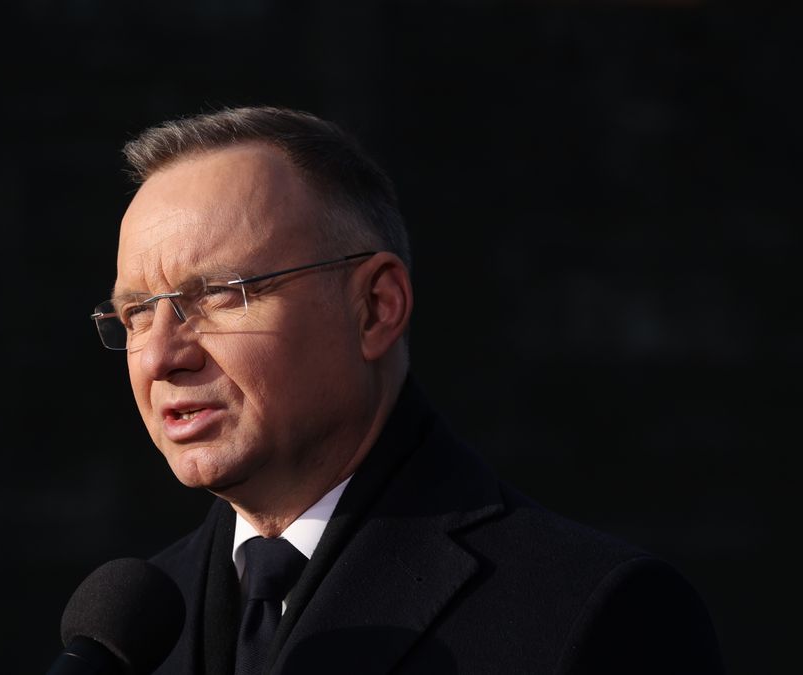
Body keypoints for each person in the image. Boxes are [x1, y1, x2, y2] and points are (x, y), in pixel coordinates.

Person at [89, 105, 724, 674]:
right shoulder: (121, 641)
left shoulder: (593, 612)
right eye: (137, 312)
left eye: (221, 294)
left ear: (375, 308)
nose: (163, 356)